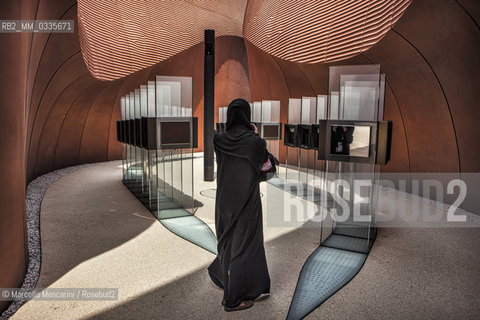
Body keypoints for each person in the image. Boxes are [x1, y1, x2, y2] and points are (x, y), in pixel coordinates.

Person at [207, 98, 271, 312]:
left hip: (224, 202)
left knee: (226, 243)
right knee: (245, 246)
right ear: (247, 115)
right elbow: (265, 165)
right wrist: (254, 133)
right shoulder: (255, 142)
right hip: (247, 202)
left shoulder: (219, 139)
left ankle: (226, 280)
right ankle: (233, 299)